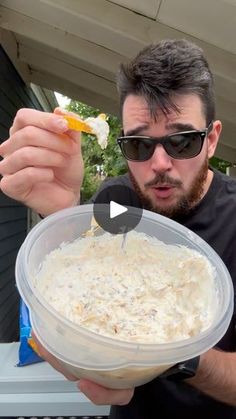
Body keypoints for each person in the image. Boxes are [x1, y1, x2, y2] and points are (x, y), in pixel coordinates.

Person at [0, 39, 235, 417]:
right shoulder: (118, 201)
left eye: (181, 140)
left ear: (211, 140)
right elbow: (83, 270)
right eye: (139, 145)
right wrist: (61, 212)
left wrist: (172, 350)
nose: (159, 163)